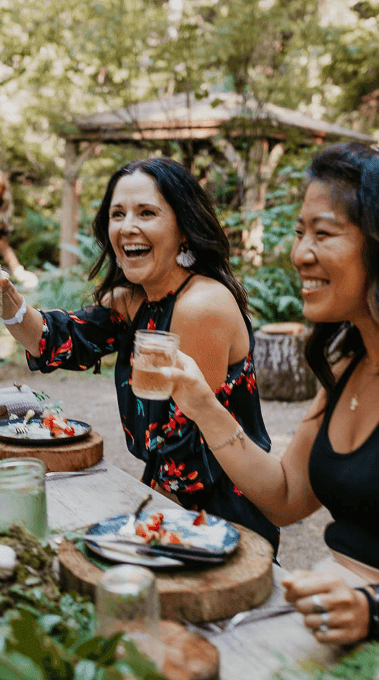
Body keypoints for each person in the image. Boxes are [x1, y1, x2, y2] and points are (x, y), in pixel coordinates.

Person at [0, 157, 279, 552]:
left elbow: (188, 452)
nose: (128, 226)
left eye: (147, 212)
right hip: (165, 500)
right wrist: (9, 304)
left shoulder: (202, 306)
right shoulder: (133, 300)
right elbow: (58, 341)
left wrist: (124, 537)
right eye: (118, 214)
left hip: (217, 520)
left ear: (183, 227)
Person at [155, 142, 379, 645]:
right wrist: (203, 405)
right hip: (322, 624)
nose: (300, 253)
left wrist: (373, 612)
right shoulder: (347, 361)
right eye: (300, 233)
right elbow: (284, 497)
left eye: (323, 233)